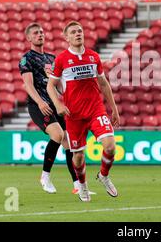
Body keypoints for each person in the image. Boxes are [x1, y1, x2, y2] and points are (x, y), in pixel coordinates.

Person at [47, 21, 120, 202]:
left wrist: (114, 109)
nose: (78, 34)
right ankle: (83, 185)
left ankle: (103, 175)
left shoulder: (93, 56)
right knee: (78, 157)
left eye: (80, 31)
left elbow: (103, 83)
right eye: (73, 32)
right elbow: (51, 86)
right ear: (67, 38)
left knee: (110, 146)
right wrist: (58, 105)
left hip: (96, 110)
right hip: (74, 116)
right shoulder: (62, 59)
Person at [19, 22, 88, 195]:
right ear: (28, 38)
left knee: (70, 143)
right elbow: (28, 85)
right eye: (35, 33)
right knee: (58, 135)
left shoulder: (51, 59)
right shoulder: (27, 58)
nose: (40, 35)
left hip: (54, 105)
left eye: (41, 32)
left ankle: (78, 185)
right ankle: (45, 176)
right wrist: (41, 103)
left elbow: (57, 85)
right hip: (38, 105)